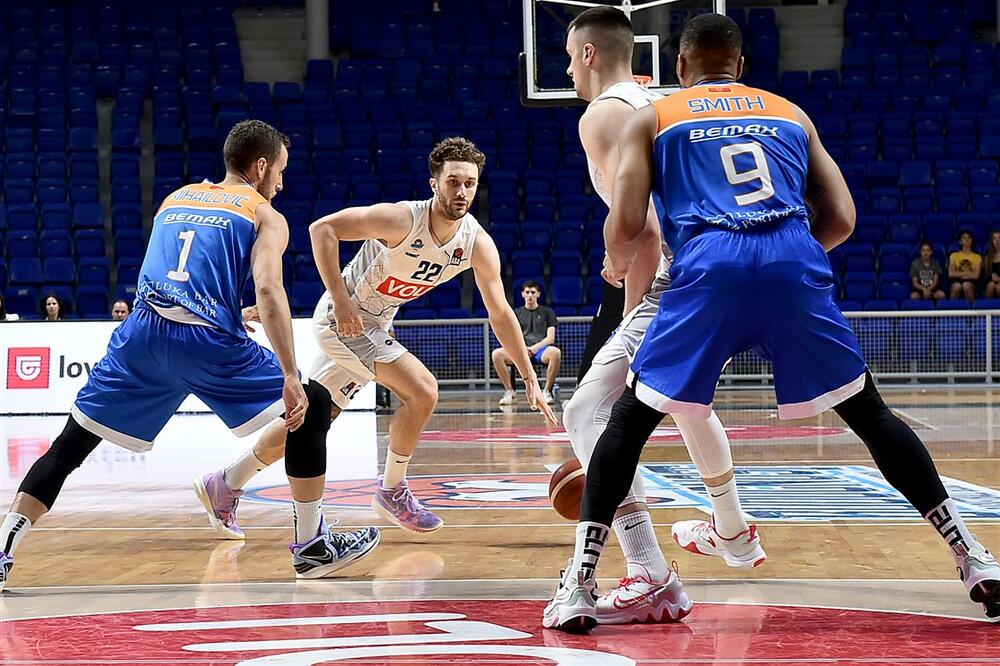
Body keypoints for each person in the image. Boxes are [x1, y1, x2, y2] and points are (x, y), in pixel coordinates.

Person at [544, 14, 1000, 632]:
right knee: (872, 416)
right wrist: (786, 258)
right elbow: (843, 217)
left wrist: (619, 263)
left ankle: (580, 584)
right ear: (740, 65)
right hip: (792, 260)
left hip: (707, 268)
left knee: (625, 422)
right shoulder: (789, 112)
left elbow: (628, 227)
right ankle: (973, 556)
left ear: (679, 67)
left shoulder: (653, 117)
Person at [0, 120, 381, 593]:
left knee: (69, 447)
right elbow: (269, 289)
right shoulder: (264, 215)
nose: (281, 183)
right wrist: (289, 372)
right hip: (205, 345)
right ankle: (311, 545)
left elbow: (175, 273)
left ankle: (4, 547)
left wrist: (226, 309)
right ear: (261, 166)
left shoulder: (176, 198)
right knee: (313, 404)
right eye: (281, 171)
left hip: (141, 335)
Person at [195, 137, 557, 538]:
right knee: (423, 391)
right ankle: (392, 490)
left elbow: (500, 312)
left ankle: (225, 483)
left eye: (469, 183)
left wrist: (529, 376)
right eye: (453, 181)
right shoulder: (401, 219)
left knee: (312, 419)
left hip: (374, 326)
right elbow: (322, 229)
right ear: (435, 184)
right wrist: (340, 300)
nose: (462, 191)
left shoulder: (476, 243)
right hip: (344, 322)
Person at [547, 5, 752, 629]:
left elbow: (643, 230)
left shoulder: (603, 114)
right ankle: (733, 531)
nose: (567, 69)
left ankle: (650, 572)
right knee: (686, 403)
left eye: (569, 57)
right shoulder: (659, 101)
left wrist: (634, 308)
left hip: (675, 278)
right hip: (720, 269)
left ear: (588, 54)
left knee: (586, 410)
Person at [493, 280, 561, 405]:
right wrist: (522, 349)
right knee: (497, 354)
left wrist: (534, 348)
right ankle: (509, 391)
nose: (530, 295)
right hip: (520, 351)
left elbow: (550, 338)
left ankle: (546, 391)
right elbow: (510, 336)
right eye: (527, 292)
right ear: (523, 294)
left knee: (555, 353)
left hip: (540, 350)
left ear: (538, 294)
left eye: (533, 292)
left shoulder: (548, 313)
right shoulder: (516, 313)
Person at [948, 230, 981, 305]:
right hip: (956, 281)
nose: (967, 240)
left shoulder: (977, 257)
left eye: (969, 237)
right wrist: (968, 273)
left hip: (971, 282)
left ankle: (972, 310)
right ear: (960, 242)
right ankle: (952, 310)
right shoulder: (954, 255)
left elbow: (976, 276)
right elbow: (951, 273)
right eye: (964, 238)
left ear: (972, 240)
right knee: (957, 286)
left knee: (966, 285)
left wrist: (959, 274)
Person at [984, 231, 1000, 299]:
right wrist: (991, 276)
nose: (997, 240)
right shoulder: (988, 257)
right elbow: (986, 275)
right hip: (991, 281)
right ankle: (987, 304)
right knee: (991, 285)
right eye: (994, 238)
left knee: (999, 287)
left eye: (999, 238)